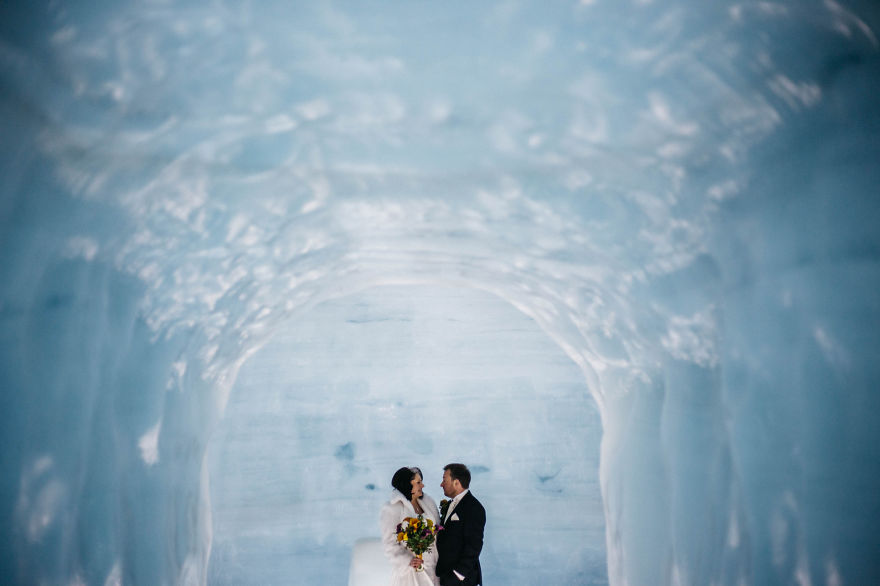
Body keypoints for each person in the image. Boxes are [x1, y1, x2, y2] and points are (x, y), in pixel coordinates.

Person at [380, 467, 442, 586]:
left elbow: (438, 531)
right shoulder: (392, 509)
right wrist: (408, 561)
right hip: (410, 573)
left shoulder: (428, 503)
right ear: (407, 485)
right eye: (418, 482)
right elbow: (389, 544)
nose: (422, 485)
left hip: (433, 569)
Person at [435, 463, 485, 586]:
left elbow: (474, 545)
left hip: (461, 580)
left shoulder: (474, 507)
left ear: (456, 482)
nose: (441, 484)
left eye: (444, 480)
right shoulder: (450, 505)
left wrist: (457, 575)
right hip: (445, 576)